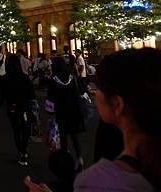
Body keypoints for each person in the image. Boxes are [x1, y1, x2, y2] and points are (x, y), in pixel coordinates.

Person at [26, 48, 161, 192]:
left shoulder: (97, 182)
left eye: (99, 88)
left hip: (63, 115)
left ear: (117, 104)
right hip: (73, 114)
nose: (95, 93)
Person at [0, 54, 36, 166]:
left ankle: (21, 152)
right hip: (24, 107)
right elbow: (32, 94)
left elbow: (1, 94)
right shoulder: (24, 77)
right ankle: (24, 149)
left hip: (12, 107)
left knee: (16, 130)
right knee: (25, 129)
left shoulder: (6, 78)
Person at [49, 55, 85, 170]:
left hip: (61, 111)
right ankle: (79, 159)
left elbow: (51, 97)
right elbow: (78, 91)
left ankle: (66, 162)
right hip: (74, 110)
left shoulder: (54, 79)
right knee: (75, 136)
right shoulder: (71, 77)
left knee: (63, 137)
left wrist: (50, 111)